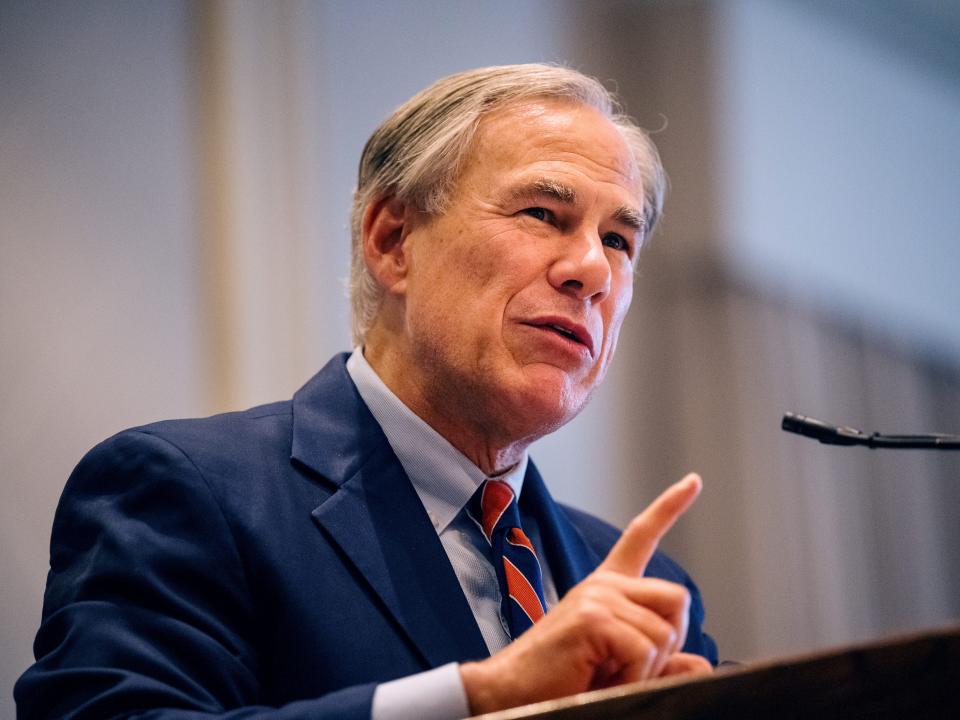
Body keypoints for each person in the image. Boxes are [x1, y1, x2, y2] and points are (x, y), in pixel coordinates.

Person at [16, 64, 718, 720]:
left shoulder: (649, 589)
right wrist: (484, 696)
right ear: (392, 240)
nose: (592, 269)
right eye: (542, 213)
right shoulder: (187, 497)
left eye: (620, 240)